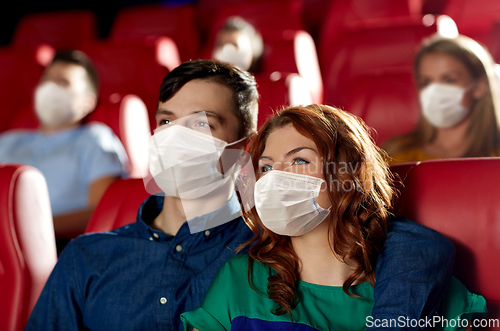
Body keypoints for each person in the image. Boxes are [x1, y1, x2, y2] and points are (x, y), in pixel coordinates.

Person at [27, 61, 453, 331]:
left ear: (243, 149)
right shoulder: (88, 256)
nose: (175, 137)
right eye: (165, 121)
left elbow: (399, 241)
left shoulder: (274, 240)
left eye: (202, 125)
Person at [181, 104, 487, 331]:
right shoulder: (239, 279)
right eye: (266, 167)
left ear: (348, 174)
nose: (276, 179)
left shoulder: (415, 282)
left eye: (299, 160)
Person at [0, 50, 128, 252]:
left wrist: (24, 229)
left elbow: (101, 213)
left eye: (63, 82)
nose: (50, 87)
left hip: (59, 248)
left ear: (88, 101)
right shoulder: (8, 141)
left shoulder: (94, 139)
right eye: (47, 79)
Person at [383, 34, 500, 165]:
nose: (434, 92)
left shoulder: (496, 155)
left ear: (479, 87)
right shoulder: (395, 155)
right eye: (426, 83)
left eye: (449, 80)